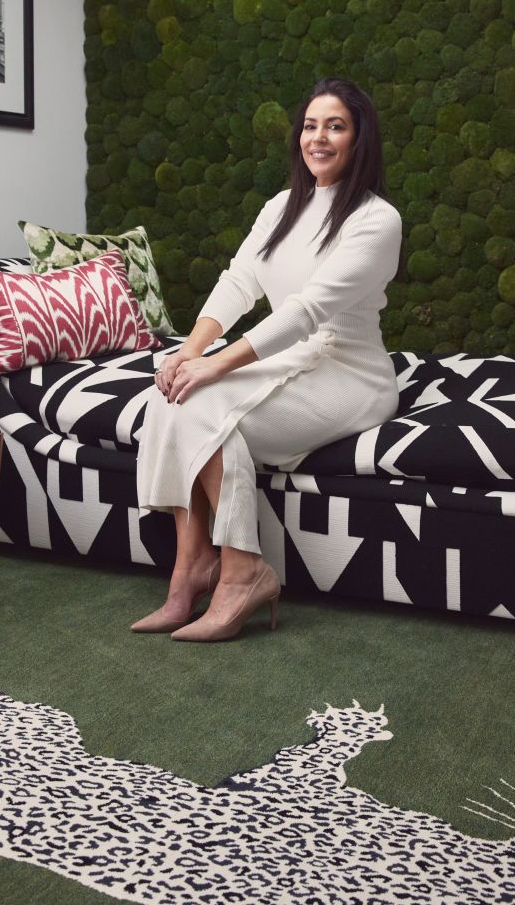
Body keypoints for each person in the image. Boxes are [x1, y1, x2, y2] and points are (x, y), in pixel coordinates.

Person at [133, 77, 403, 642]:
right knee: (169, 399)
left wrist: (216, 365)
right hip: (288, 360)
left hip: (348, 373)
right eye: (310, 125)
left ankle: (242, 571)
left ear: (360, 139)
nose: (319, 138)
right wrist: (188, 355)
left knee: (208, 407)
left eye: (336, 126)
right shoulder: (281, 206)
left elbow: (307, 312)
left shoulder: (377, 220)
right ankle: (191, 569)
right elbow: (239, 282)